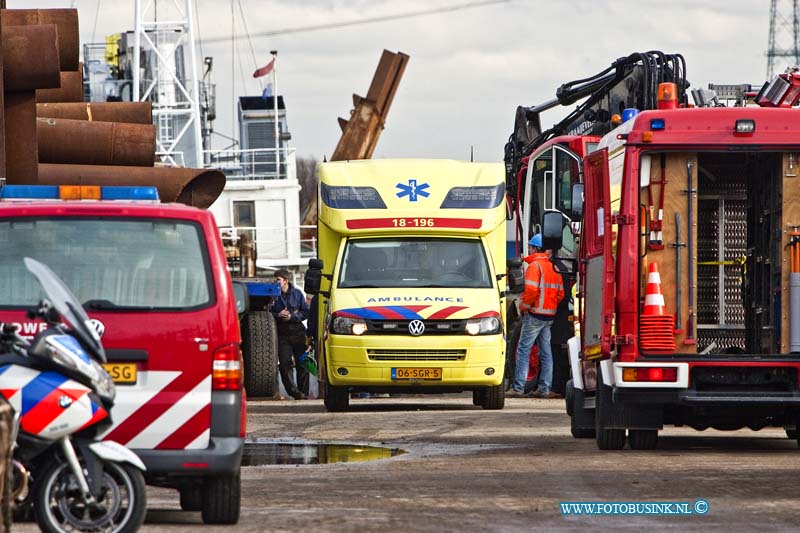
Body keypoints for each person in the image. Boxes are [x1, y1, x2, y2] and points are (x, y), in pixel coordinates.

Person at [507, 234, 565, 399]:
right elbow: (560, 294)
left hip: (534, 315)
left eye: (531, 246)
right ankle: (544, 388)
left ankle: (518, 387)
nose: (530, 249)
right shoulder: (554, 267)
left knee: (523, 350)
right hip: (549, 316)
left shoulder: (534, 266)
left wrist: (523, 307)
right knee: (546, 353)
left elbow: (531, 291)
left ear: (534, 248)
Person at [270, 269, 310, 400]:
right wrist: (278, 315)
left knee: (303, 364)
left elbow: (305, 312)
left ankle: (304, 394)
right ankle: (294, 392)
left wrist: (292, 316)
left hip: (298, 332)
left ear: (285, 281)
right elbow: (268, 313)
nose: (275, 282)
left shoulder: (297, 294)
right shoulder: (272, 296)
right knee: (285, 363)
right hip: (282, 334)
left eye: (278, 280)